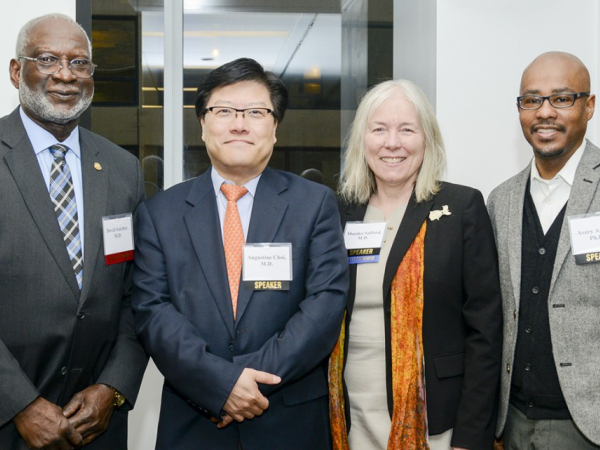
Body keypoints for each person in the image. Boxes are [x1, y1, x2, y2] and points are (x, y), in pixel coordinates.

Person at [131, 58, 348, 450]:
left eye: (255, 112)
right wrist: (219, 384)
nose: (239, 124)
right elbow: (152, 310)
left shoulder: (313, 204)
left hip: (288, 418)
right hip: (194, 421)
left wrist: (245, 381)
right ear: (202, 123)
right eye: (224, 111)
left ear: (275, 126)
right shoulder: (160, 212)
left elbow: (325, 303)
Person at [0, 13, 147, 450]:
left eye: (80, 63)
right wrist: (19, 402)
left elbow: (137, 293)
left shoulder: (123, 169)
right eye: (46, 59)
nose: (65, 75)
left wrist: (113, 386)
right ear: (16, 71)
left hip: (96, 426)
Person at [329, 79, 502, 450]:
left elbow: (485, 331)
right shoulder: (338, 213)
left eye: (407, 129)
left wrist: (471, 435)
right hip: (351, 416)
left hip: (436, 420)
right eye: (379, 129)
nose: (393, 142)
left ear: (427, 139)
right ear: (363, 139)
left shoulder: (461, 208)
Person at [488, 51, 600, 449]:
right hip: (513, 422)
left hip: (589, 424)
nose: (545, 112)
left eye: (562, 98)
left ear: (588, 106)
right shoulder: (500, 201)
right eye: (532, 100)